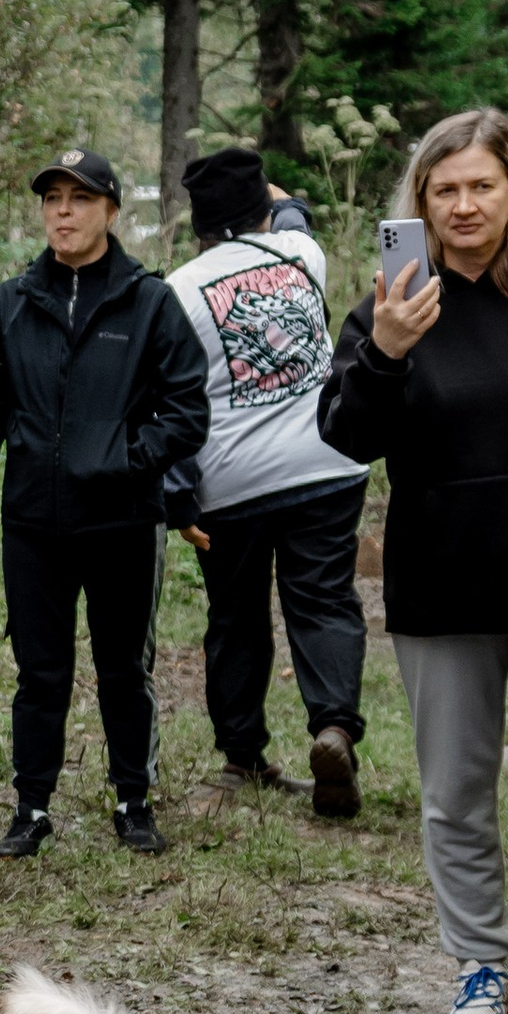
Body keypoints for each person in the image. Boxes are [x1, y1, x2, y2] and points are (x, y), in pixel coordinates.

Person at [0, 145, 211, 858]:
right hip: (34, 520)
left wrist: (128, 460)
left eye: (80, 198)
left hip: (123, 520)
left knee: (124, 667)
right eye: (53, 199)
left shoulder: (149, 301)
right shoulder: (11, 302)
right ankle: (30, 810)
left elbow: (188, 410)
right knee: (40, 670)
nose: (63, 211)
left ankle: (134, 801)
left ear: (111, 211)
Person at [320, 107, 508, 1014]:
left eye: (483, 184)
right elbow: (346, 435)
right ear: (423, 204)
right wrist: (387, 350)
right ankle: (484, 964)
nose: (466, 204)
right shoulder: (396, 300)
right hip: (446, 578)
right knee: (456, 790)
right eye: (447, 190)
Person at [163, 144, 367, 816]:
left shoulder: (180, 290)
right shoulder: (300, 255)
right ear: (260, 206)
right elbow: (293, 209)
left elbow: (171, 399)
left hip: (233, 480)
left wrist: (179, 495)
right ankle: (334, 726)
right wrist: (269, 195)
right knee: (325, 600)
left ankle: (243, 756)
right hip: (327, 459)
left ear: (199, 222)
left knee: (236, 616)